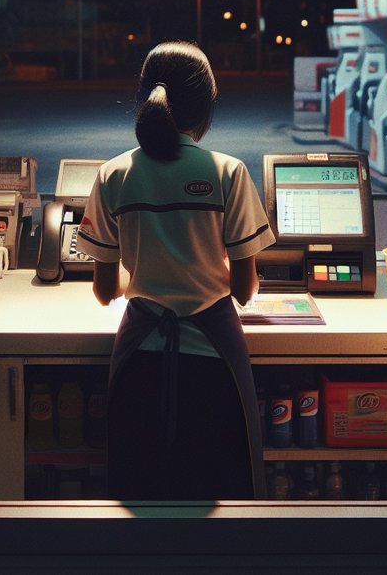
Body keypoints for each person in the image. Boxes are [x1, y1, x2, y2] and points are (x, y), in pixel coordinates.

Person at [75, 41, 275, 500]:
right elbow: (244, 290)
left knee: (142, 491)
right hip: (215, 361)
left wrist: (141, 271)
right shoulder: (228, 172)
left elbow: (104, 291)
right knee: (223, 492)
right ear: (205, 108)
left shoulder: (113, 174)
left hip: (139, 360)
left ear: (145, 96)